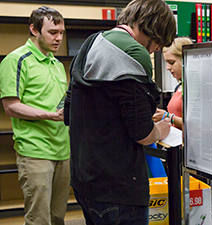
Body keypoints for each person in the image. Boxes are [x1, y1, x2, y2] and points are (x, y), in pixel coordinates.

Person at [63, 0, 176, 224]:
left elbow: (68, 112)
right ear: (153, 28)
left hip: (85, 179)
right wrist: (160, 129)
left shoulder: (90, 43)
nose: (155, 50)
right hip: (118, 187)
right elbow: (142, 133)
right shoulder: (133, 52)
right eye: (159, 43)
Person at [0, 6, 70, 225]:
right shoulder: (16, 60)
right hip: (35, 151)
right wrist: (50, 115)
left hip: (63, 150)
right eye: (52, 32)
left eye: (62, 32)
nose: (58, 38)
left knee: (57, 217)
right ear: (34, 29)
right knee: (39, 219)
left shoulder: (57, 64)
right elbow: (11, 106)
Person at [152, 37, 193, 129]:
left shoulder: (196, 88)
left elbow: (199, 126)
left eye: (171, 62)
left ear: (185, 59)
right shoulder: (179, 87)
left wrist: (168, 117)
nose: (167, 67)